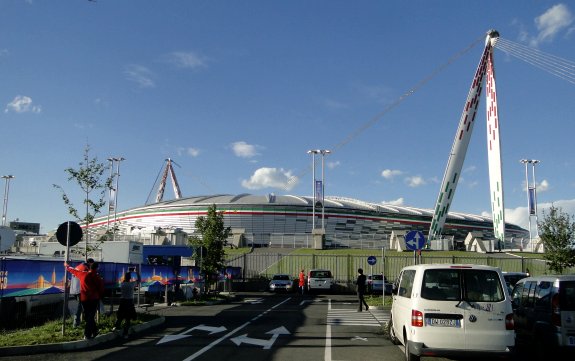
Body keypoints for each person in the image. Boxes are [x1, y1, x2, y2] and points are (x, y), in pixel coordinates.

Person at [65, 261, 105, 340]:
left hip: (84, 299)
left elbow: (72, 270)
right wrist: (100, 296)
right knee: (90, 316)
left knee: (88, 316)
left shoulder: (82, 274)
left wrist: (66, 266)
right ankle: (87, 334)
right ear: (97, 268)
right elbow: (101, 289)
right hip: (94, 299)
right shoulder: (97, 277)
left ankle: (95, 331)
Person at [114, 269, 141, 338]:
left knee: (120, 315)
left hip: (122, 301)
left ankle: (116, 327)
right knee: (127, 318)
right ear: (130, 278)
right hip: (129, 302)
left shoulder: (122, 284)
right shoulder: (132, 284)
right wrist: (136, 272)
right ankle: (125, 333)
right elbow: (139, 280)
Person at [69, 258, 94, 327]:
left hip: (74, 289)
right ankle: (76, 323)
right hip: (80, 289)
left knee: (81, 306)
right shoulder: (85, 268)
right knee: (80, 306)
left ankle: (78, 322)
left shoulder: (79, 266)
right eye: (92, 264)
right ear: (90, 263)